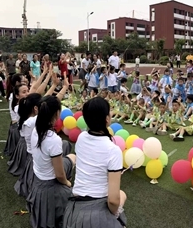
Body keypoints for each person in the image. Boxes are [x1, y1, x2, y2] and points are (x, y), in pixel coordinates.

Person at [64, 97, 128, 227]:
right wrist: (114, 216)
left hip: (74, 207)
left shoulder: (81, 138)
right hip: (95, 209)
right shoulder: (113, 150)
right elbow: (113, 201)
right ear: (106, 119)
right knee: (121, 196)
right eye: (109, 111)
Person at [27, 95, 75, 228]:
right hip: (50, 184)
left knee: (70, 157)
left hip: (38, 179)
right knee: (72, 158)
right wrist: (66, 183)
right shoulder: (53, 139)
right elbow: (59, 175)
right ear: (57, 113)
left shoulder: (36, 128)